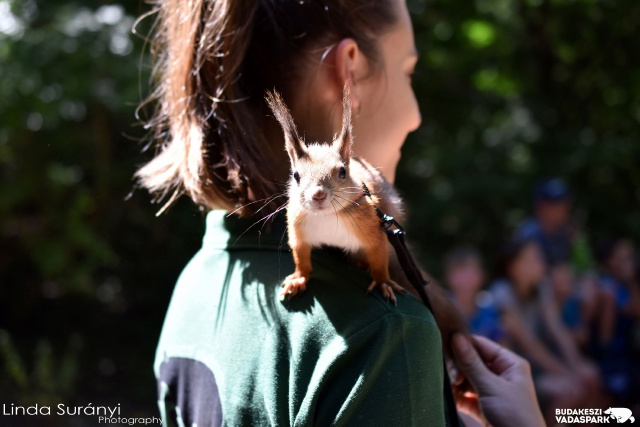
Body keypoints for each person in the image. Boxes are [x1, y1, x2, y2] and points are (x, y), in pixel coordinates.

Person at [136, 0, 545, 425]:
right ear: (349, 68)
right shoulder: (384, 336)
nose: (418, 117)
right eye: (408, 72)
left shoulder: (196, 281)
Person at [489, 238, 600, 421]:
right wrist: (566, 372)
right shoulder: (502, 293)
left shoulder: (541, 288)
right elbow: (530, 345)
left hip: (537, 366)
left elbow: (558, 330)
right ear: (513, 265)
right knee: (571, 390)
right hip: (511, 370)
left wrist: (577, 364)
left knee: (590, 377)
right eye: (533, 259)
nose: (541, 264)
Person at [444, 247, 504, 343]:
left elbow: (501, 343)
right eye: (460, 273)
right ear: (449, 277)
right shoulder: (442, 310)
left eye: (470, 273)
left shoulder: (489, 308)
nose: (465, 279)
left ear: (481, 276)